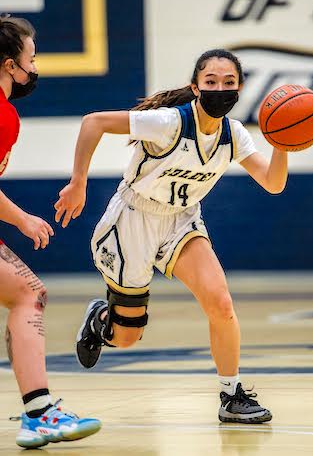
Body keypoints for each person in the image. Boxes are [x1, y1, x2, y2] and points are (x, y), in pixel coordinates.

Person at [55, 48, 288, 424]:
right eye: (211, 82)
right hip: (133, 219)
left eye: (228, 82)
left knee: (221, 303)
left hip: (181, 220)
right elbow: (93, 122)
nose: (219, 89)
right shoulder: (167, 123)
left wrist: (283, 143)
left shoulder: (234, 134)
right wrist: (78, 182)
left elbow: (274, 183)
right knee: (127, 337)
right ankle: (101, 319)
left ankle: (231, 395)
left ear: (240, 88)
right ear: (196, 87)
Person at [0, 15, 101, 448]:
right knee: (28, 294)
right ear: (10, 65)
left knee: (26, 293)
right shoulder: (3, 116)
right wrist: (23, 219)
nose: (35, 68)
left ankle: (39, 413)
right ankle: (40, 414)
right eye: (32, 58)